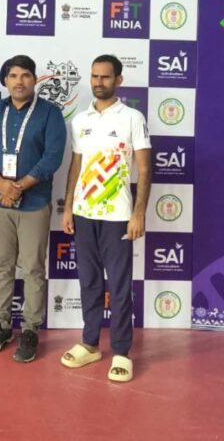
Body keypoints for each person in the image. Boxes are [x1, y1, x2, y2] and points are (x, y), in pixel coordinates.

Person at [59, 55, 151, 383]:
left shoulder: (132, 118)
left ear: (118, 80)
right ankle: (90, 343)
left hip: (118, 216)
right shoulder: (80, 120)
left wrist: (138, 213)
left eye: (106, 77)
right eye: (95, 76)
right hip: (84, 214)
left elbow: (144, 169)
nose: (99, 82)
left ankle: (122, 351)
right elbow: (77, 165)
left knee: (120, 285)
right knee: (89, 282)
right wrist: (68, 207)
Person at [0, 55, 65, 362]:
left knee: (32, 269)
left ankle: (30, 329)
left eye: (26, 75)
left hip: (34, 203)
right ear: (5, 80)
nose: (19, 81)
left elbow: (52, 156)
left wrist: (18, 186)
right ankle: (2, 324)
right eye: (13, 75)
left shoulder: (50, 113)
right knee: (3, 265)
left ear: (34, 79)